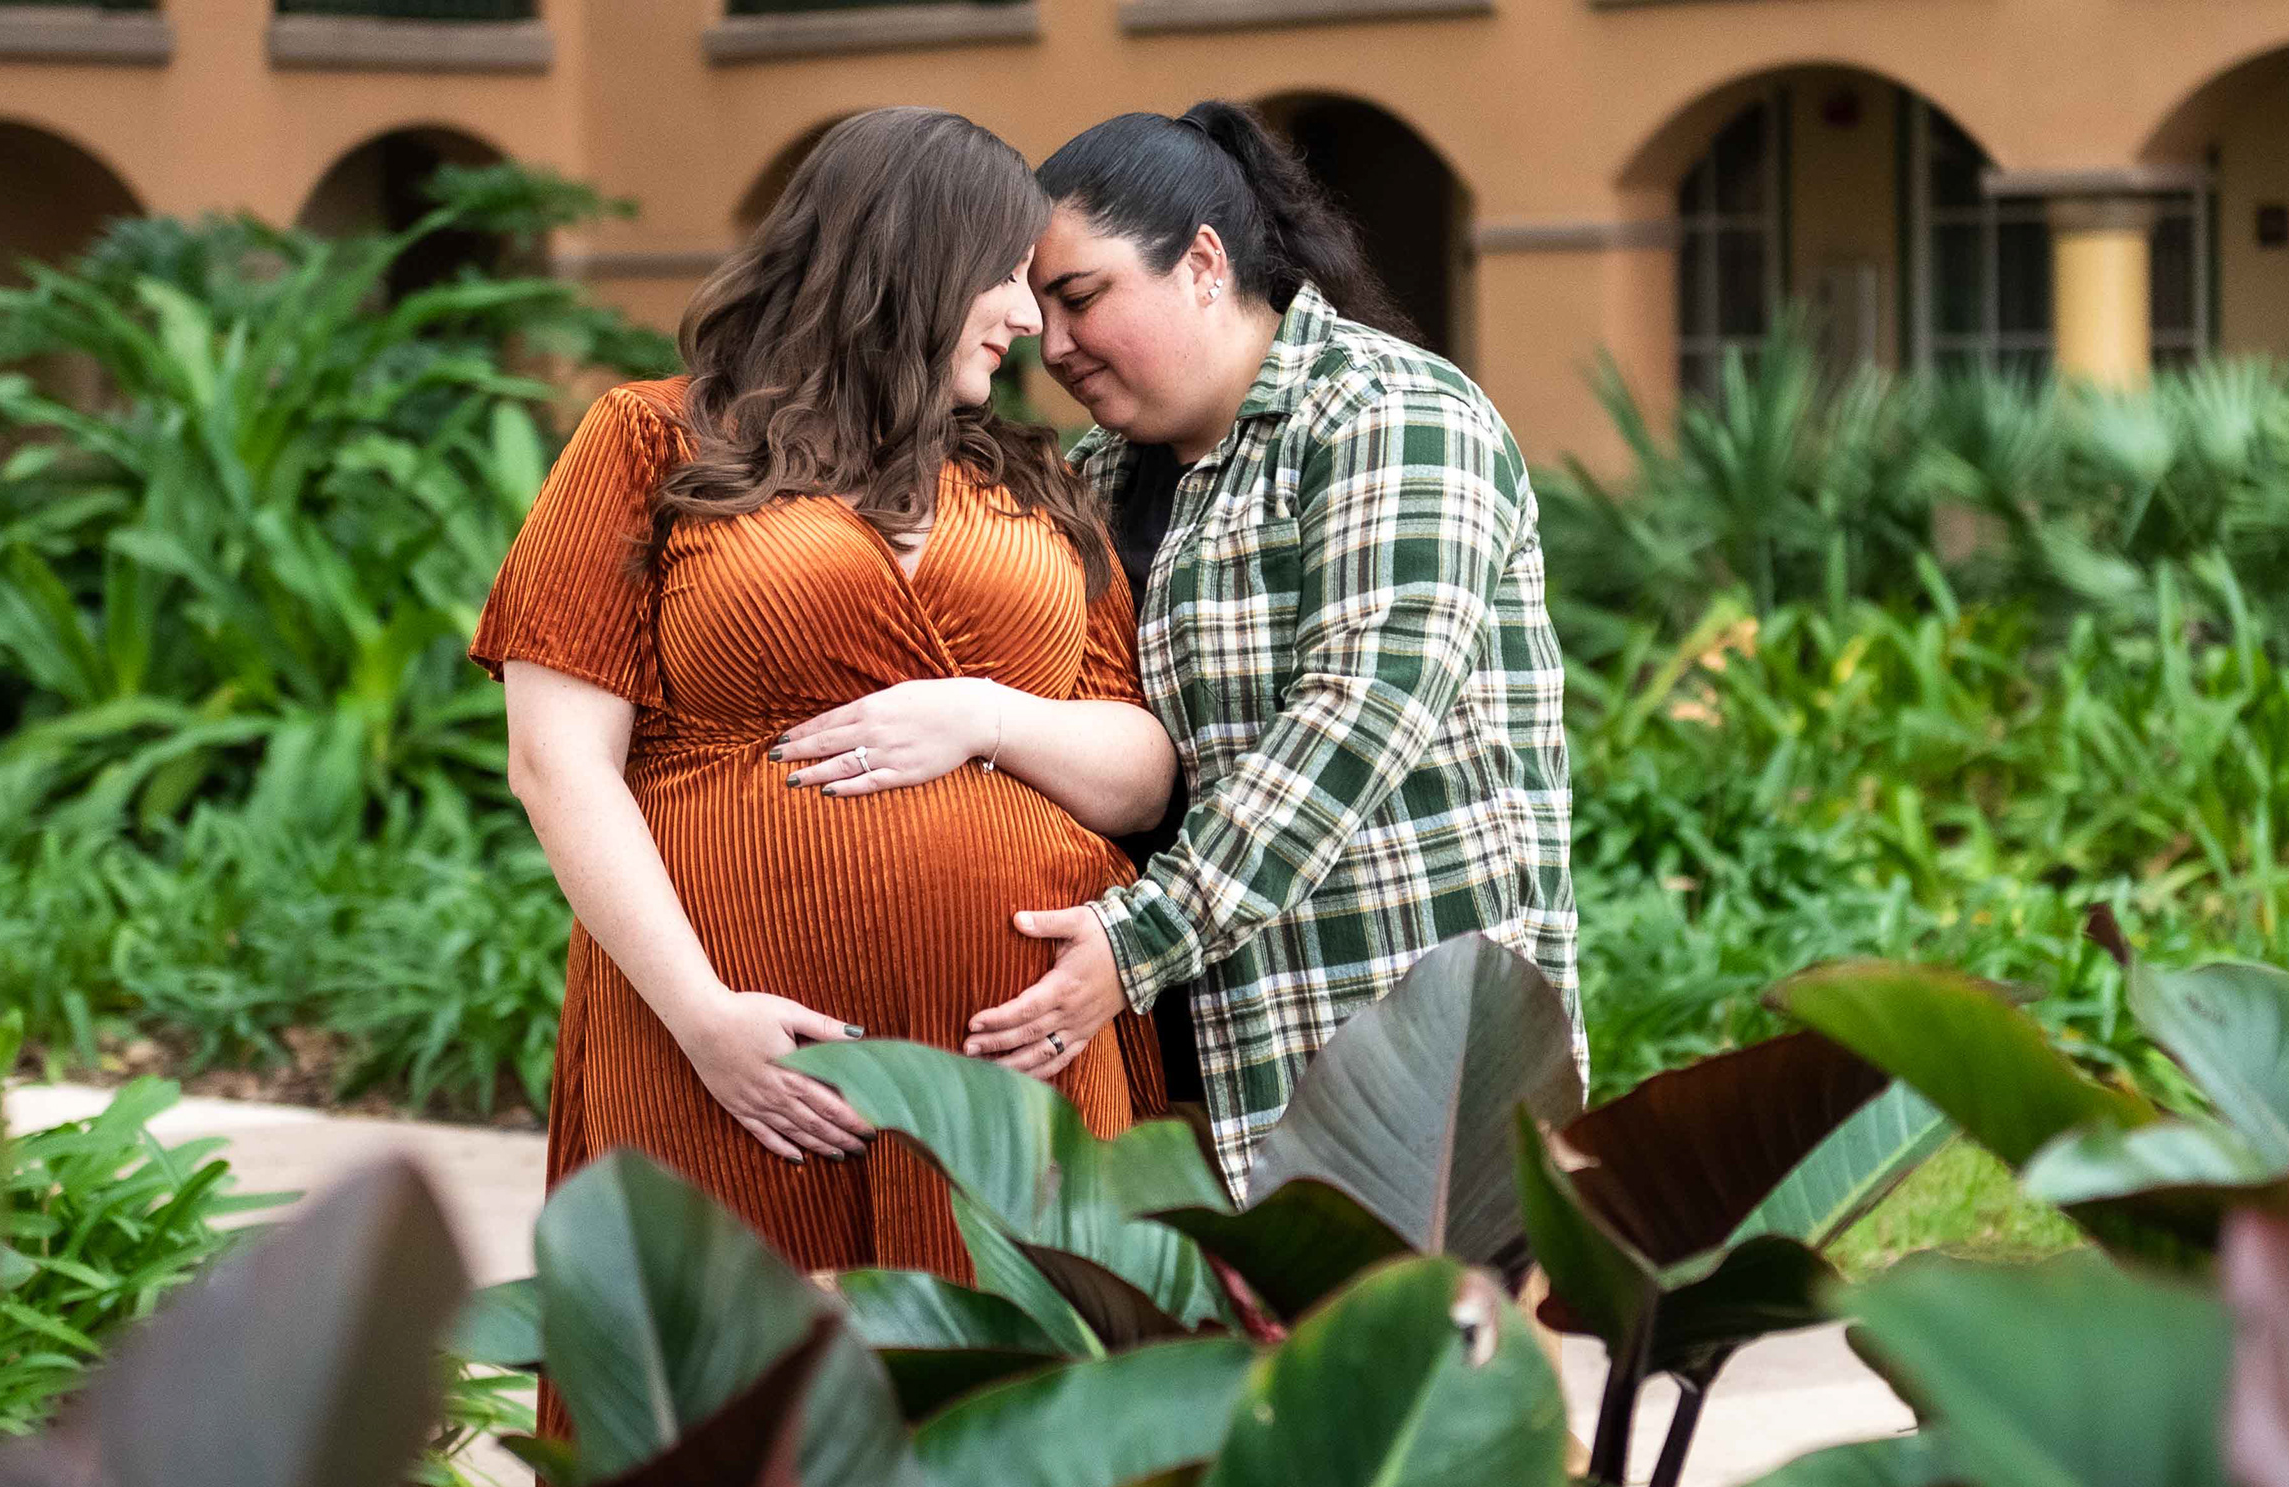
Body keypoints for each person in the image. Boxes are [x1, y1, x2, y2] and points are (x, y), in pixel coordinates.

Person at [473, 107, 1177, 1275]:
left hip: (1013, 1061)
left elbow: (1141, 771)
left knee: (1013, 1374)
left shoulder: (1039, 482)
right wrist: (704, 1018)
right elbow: (556, 761)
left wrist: (986, 717)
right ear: (912, 258)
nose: (1030, 321)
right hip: (734, 1052)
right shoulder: (651, 439)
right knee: (745, 1363)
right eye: (1007, 276)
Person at [962, 100, 1579, 1195]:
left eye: (1081, 297)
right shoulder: (1099, 472)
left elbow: (1358, 715)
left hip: (1401, 1073)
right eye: (1038, 309)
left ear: (1203, 263)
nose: (1051, 345)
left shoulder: (1392, 413)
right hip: (1174, 1059)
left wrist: (1140, 938)